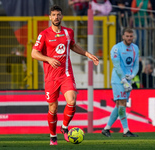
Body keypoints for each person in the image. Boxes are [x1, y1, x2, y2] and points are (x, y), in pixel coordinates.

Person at [31, 5, 99, 145]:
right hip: (51, 77)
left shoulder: (68, 32)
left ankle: (64, 127)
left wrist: (88, 54)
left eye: (59, 14)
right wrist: (49, 59)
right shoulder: (44, 34)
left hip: (66, 74)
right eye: (54, 15)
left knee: (72, 101)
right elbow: (34, 53)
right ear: (50, 17)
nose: (56, 17)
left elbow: (73, 46)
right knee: (53, 108)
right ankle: (53, 136)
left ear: (62, 16)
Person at [102, 28, 139, 137]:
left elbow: (136, 64)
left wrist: (133, 75)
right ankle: (126, 130)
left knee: (120, 105)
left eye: (131, 36)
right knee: (122, 104)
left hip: (128, 80)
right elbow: (117, 66)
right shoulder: (116, 48)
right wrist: (123, 80)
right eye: (127, 36)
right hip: (118, 80)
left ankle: (106, 128)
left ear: (133, 37)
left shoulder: (135, 48)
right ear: (123, 36)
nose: (129, 38)